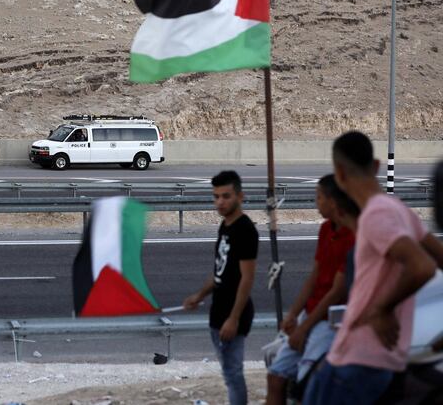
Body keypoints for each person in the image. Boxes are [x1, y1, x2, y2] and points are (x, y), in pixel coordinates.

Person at [304, 131, 437, 405]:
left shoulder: (376, 214)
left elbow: (421, 266)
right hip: (384, 361)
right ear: (376, 166)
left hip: (357, 356)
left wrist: (382, 308)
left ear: (339, 173)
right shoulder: (400, 209)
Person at [265, 175, 355, 405]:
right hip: (310, 314)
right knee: (276, 375)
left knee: (309, 385)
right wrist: (293, 315)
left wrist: (304, 328)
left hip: (329, 321)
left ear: (333, 202)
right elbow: (313, 277)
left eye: (319, 197)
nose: (316, 203)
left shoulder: (354, 237)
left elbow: (337, 291)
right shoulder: (326, 229)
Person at [184, 170, 258, 405]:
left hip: (233, 314)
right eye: (216, 196)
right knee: (229, 373)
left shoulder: (245, 230)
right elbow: (220, 272)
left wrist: (234, 318)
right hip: (219, 309)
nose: (220, 202)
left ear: (240, 196)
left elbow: (247, 278)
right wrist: (199, 295)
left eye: (226, 196)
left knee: (233, 374)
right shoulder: (225, 226)